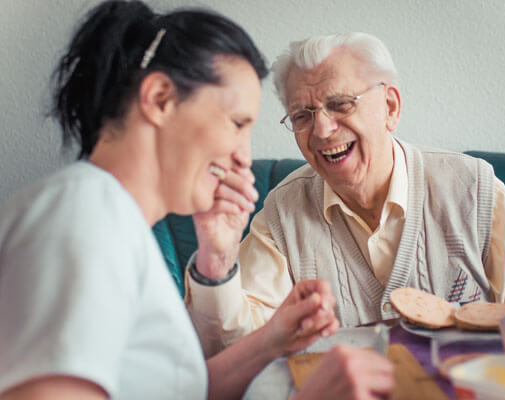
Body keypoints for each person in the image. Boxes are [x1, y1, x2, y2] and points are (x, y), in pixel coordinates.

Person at [0, 4, 395, 399]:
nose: (244, 156)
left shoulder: (115, 223)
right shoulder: (83, 219)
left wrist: (272, 340)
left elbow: (180, 392)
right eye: (238, 124)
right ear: (159, 98)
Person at [186, 32, 505, 355]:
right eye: (302, 115)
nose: (321, 130)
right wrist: (216, 258)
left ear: (390, 107)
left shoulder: (474, 190)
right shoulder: (283, 214)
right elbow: (235, 350)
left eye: (339, 104)